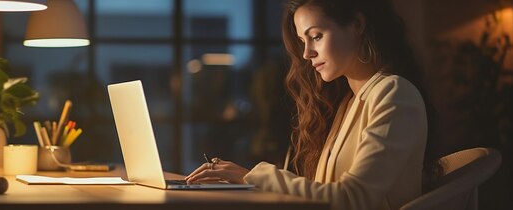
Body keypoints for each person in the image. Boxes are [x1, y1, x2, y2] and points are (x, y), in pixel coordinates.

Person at [185, 0, 442, 209]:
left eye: (316, 36)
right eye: (302, 41)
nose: (307, 53)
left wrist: (252, 176)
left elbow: (352, 199)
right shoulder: (347, 104)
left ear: (357, 25)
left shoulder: (394, 93)